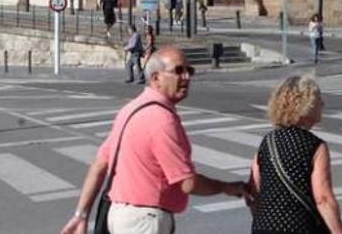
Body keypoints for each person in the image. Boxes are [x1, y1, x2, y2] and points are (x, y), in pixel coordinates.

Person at [59, 47, 250, 234]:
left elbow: (100, 165)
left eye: (189, 70)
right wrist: (226, 187)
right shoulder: (162, 120)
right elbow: (187, 183)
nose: (186, 77)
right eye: (178, 71)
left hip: (118, 216)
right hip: (145, 222)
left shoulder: (130, 109)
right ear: (156, 78)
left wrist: (81, 214)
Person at [249, 75, 342, 234]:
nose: (322, 103)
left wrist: (266, 221)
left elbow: (253, 192)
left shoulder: (267, 142)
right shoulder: (315, 146)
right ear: (305, 106)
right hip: (301, 227)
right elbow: (323, 199)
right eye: (318, 99)